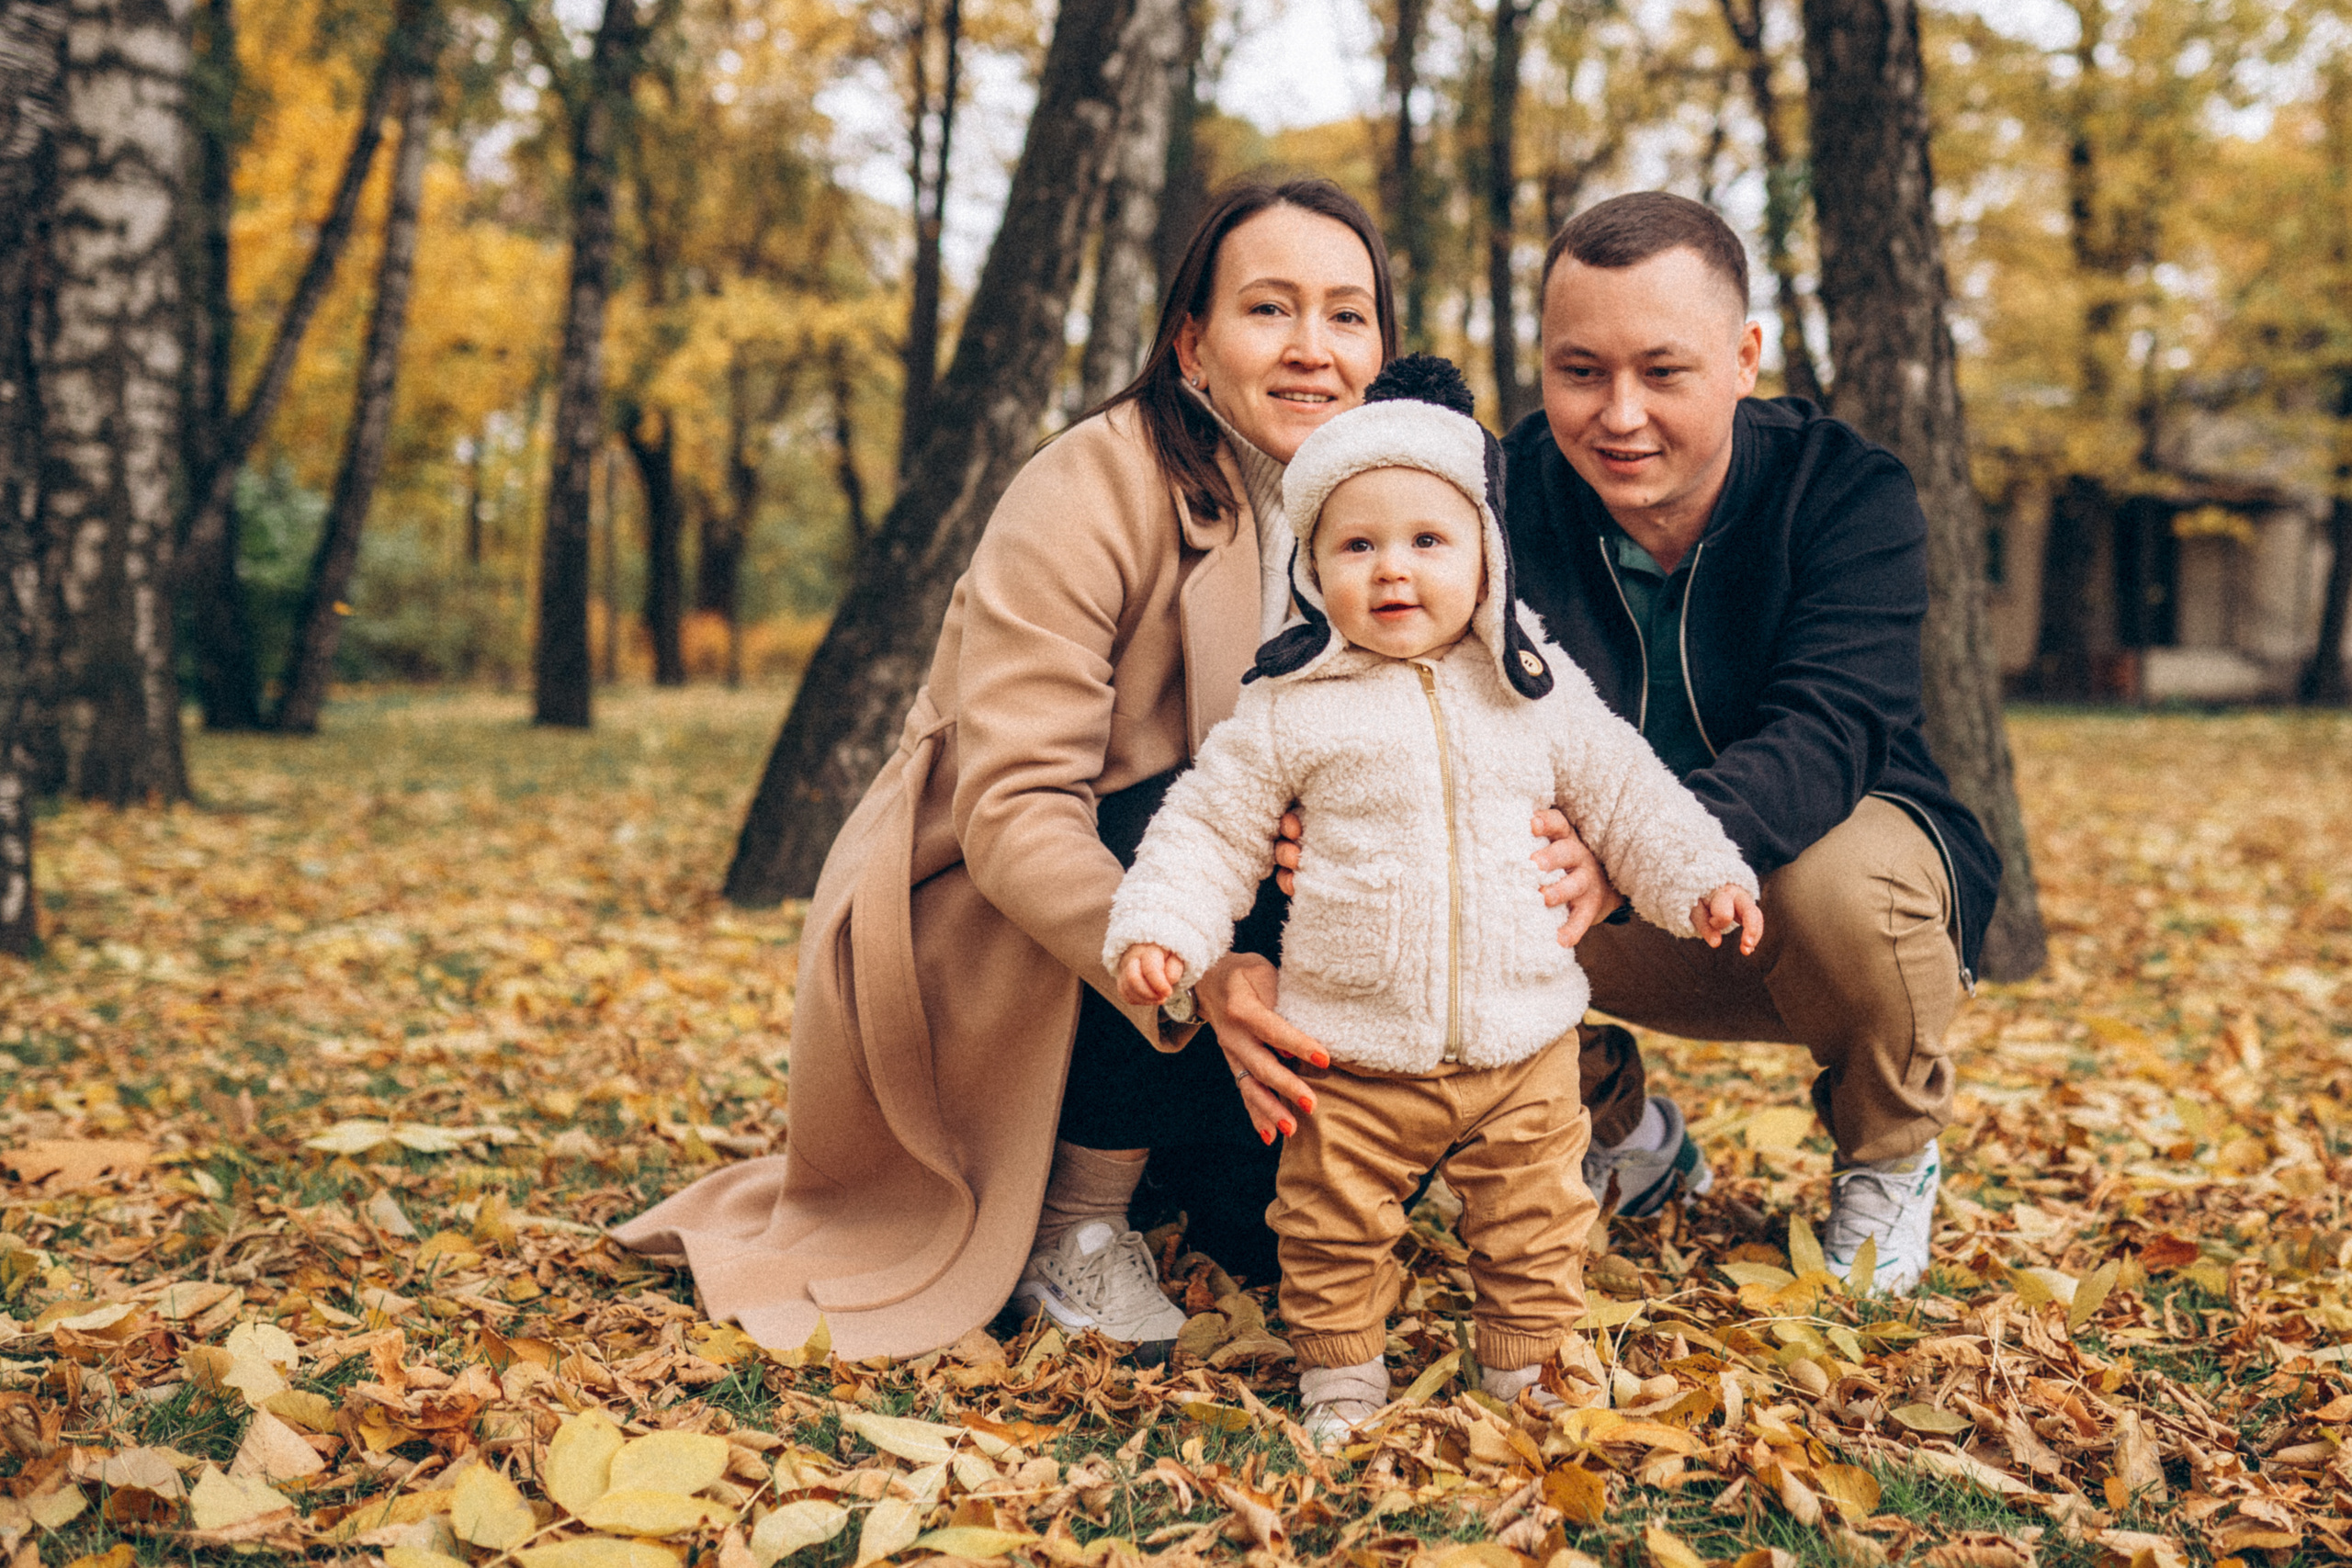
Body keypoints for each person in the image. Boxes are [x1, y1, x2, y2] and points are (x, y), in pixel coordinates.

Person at [609, 178, 1397, 1359]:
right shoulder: (1091, 482)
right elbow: (1019, 812)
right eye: (1269, 310)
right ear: (1191, 341)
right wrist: (1198, 966)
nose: (1311, 351)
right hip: (1008, 920)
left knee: (1272, 1228)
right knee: (1186, 818)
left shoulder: (1379, 502)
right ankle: (1071, 1221)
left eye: (1347, 315)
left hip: (1239, 930)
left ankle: (1212, 1168)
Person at [1102, 355, 1760, 1444]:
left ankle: (1526, 1364)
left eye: (1426, 541)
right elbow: (1207, 825)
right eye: (1356, 546)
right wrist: (1164, 930)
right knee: (1329, 1226)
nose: (1392, 571)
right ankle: (1342, 1375)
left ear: (1484, 557)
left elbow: (1626, 787)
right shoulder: (1288, 707)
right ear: (1313, 570)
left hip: (1522, 1042)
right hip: (1350, 1050)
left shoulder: (1531, 688)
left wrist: (1701, 877)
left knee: (1538, 1220)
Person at [1497, 191, 2001, 1292]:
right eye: (1580, 371)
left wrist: (1637, 851)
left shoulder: (1846, 492)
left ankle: (1886, 1157)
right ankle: (1617, 1132)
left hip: (1816, 911)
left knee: (1839, 876)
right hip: (1612, 916)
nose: (1618, 414)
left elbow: (1830, 733)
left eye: (1662, 372)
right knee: (1416, 855)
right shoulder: (1496, 500)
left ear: (1742, 358)